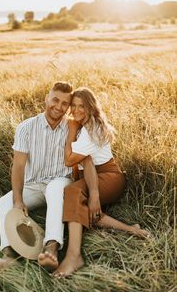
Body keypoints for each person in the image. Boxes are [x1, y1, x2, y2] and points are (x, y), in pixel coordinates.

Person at [53, 87, 150, 277]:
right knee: (78, 207)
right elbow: (86, 161)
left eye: (82, 106)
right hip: (92, 176)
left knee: (72, 193)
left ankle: (74, 256)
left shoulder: (90, 129)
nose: (77, 110)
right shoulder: (84, 124)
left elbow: (69, 160)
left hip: (109, 177)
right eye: (73, 105)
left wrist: (95, 194)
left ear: (91, 107)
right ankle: (132, 230)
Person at [0, 81, 73, 271]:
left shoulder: (72, 128)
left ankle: (52, 247)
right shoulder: (26, 127)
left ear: (68, 107)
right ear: (47, 99)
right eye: (55, 100)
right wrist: (18, 200)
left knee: (54, 188)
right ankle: (9, 254)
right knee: (4, 202)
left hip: (61, 182)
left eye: (65, 103)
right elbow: (18, 167)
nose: (59, 106)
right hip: (35, 184)